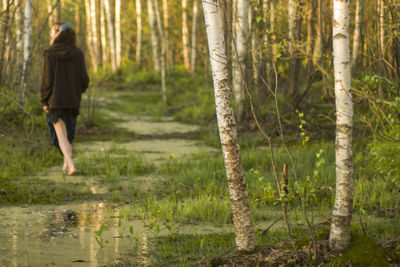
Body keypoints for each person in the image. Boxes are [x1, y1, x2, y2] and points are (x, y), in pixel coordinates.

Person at [40, 22, 89, 175]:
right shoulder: (78, 53)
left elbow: (47, 80)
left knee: (61, 135)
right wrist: (77, 92)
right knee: (68, 136)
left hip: (56, 101)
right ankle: (66, 164)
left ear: (58, 34)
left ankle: (71, 164)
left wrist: (44, 100)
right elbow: (84, 80)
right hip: (73, 101)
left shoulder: (50, 53)